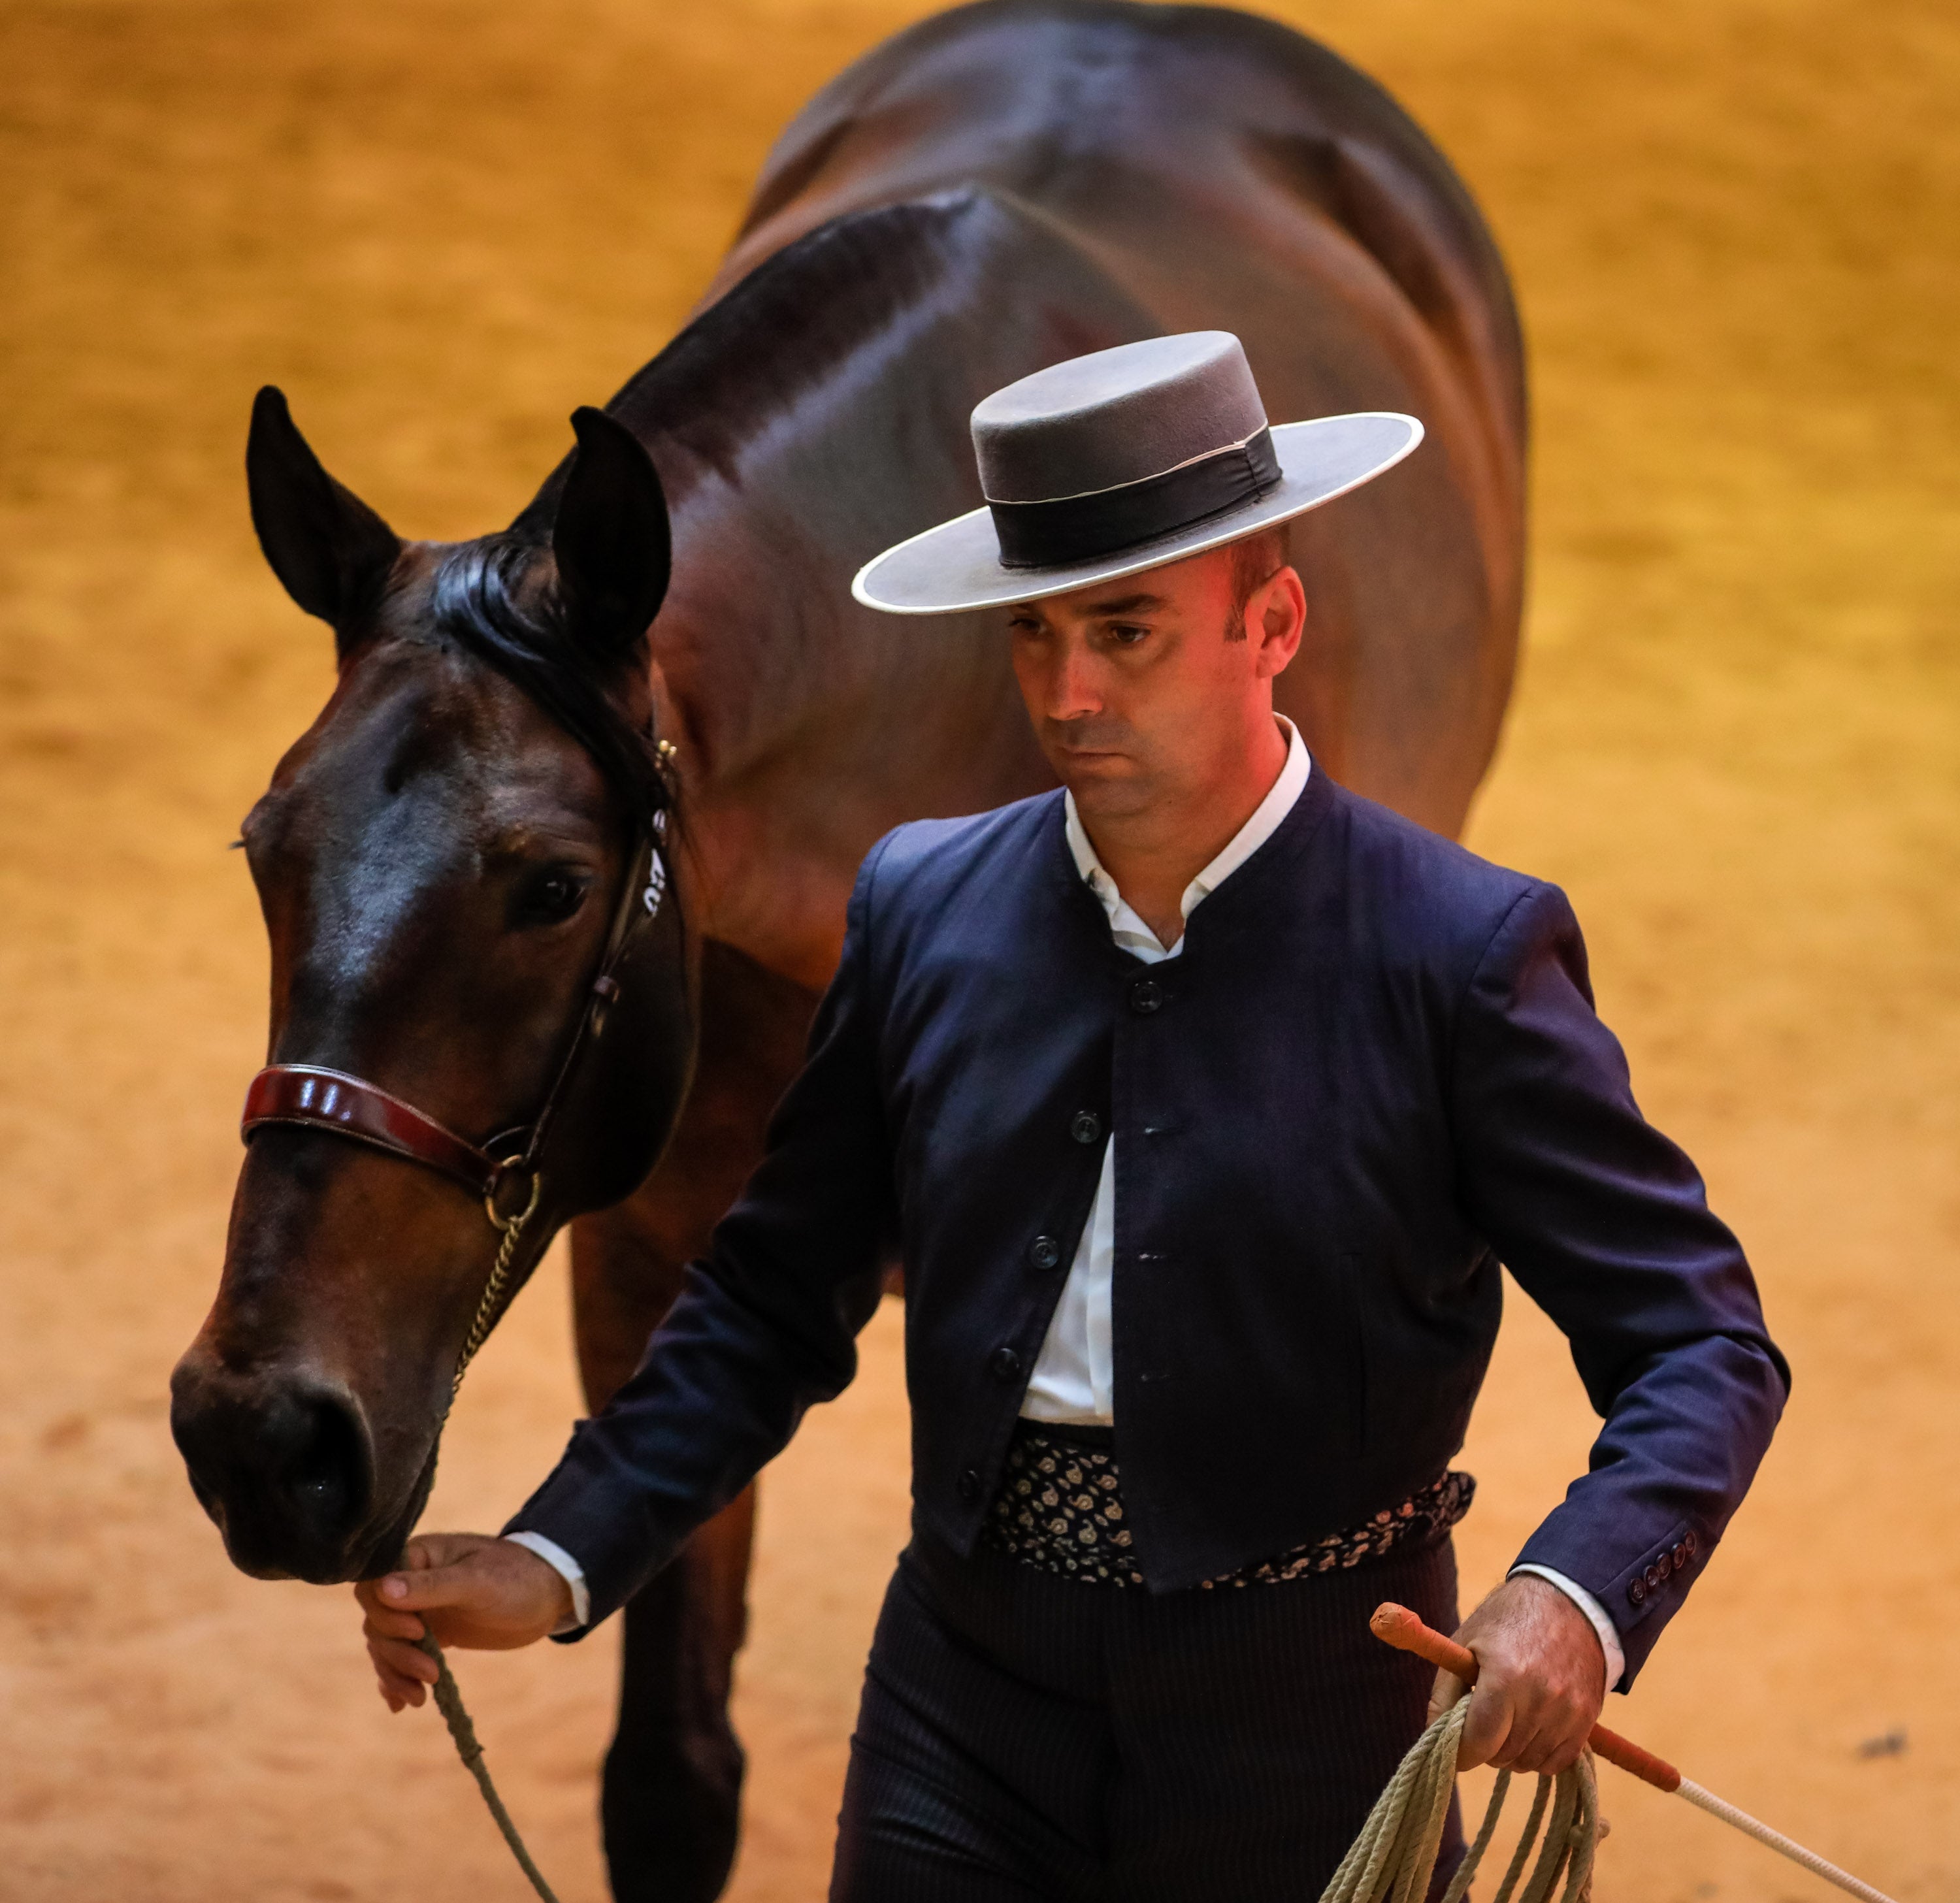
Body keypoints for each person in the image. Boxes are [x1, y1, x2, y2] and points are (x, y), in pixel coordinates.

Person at [357, 333, 1788, 1899]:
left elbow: (1699, 1337)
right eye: (1032, 633)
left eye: (1127, 631)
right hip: (969, 1696)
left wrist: (1576, 1594)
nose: (1068, 690)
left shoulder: (1459, 952)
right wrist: (559, 1554)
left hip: (1318, 1714)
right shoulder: (920, 906)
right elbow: (770, 1295)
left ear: (1274, 623)